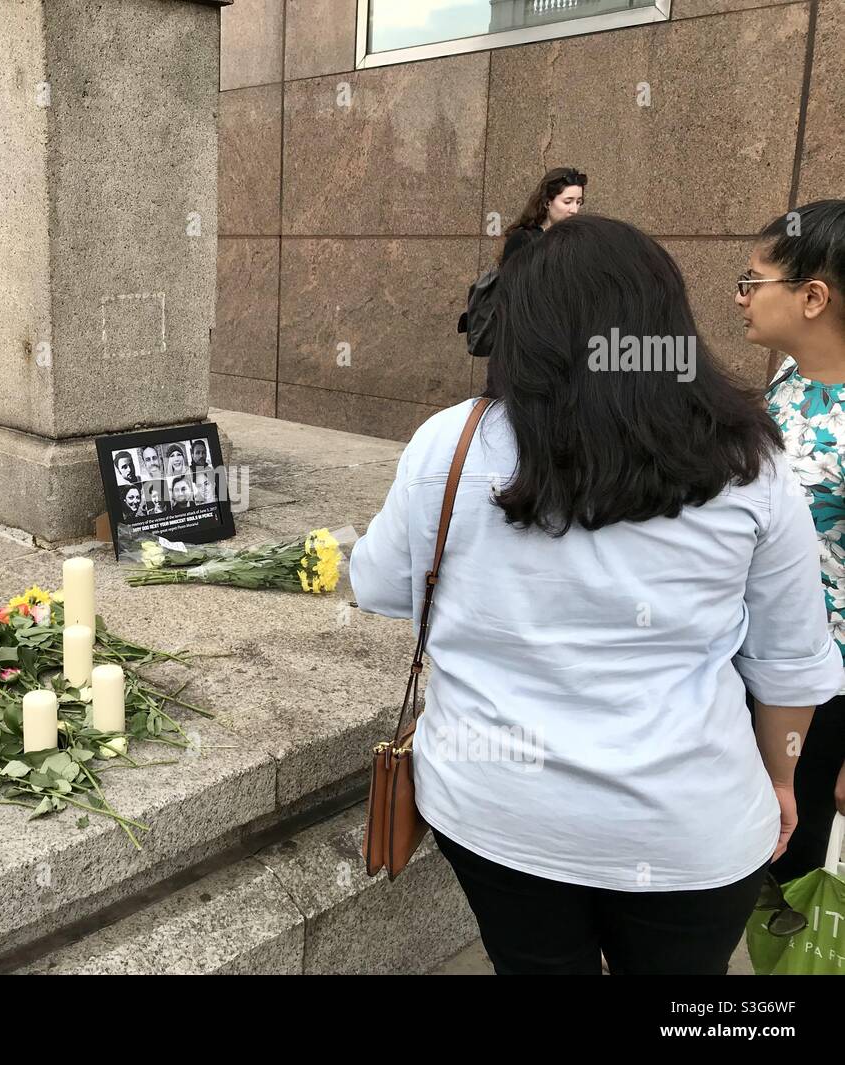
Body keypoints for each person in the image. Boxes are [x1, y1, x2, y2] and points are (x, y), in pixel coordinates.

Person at [351, 214, 842, 975]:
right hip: (691, 828)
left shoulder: (448, 444)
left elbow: (378, 582)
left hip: (496, 814)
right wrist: (780, 776)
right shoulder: (751, 464)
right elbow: (789, 663)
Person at [738, 199, 845, 880]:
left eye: (754, 280)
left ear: (812, 297)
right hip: (748, 664)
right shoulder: (788, 379)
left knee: (784, 869)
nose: (740, 296)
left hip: (821, 696)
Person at [498, 166, 586, 264]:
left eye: (578, 202)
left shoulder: (579, 239)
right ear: (547, 202)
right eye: (567, 202)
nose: (574, 210)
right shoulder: (523, 240)